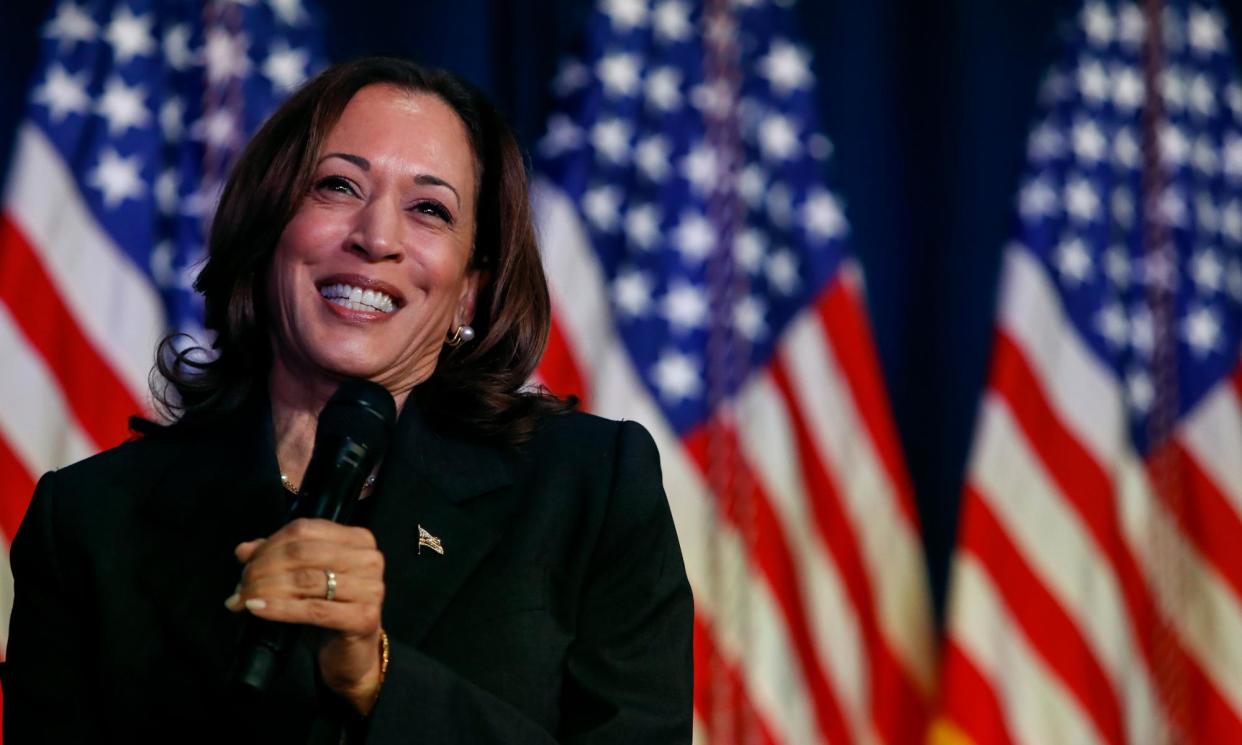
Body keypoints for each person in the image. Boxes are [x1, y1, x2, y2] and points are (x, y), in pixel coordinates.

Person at [1, 57, 693, 744]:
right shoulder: (91, 523)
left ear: (471, 289)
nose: (377, 237)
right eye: (337, 185)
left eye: (429, 208)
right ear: (270, 228)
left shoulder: (590, 491)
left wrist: (378, 678)